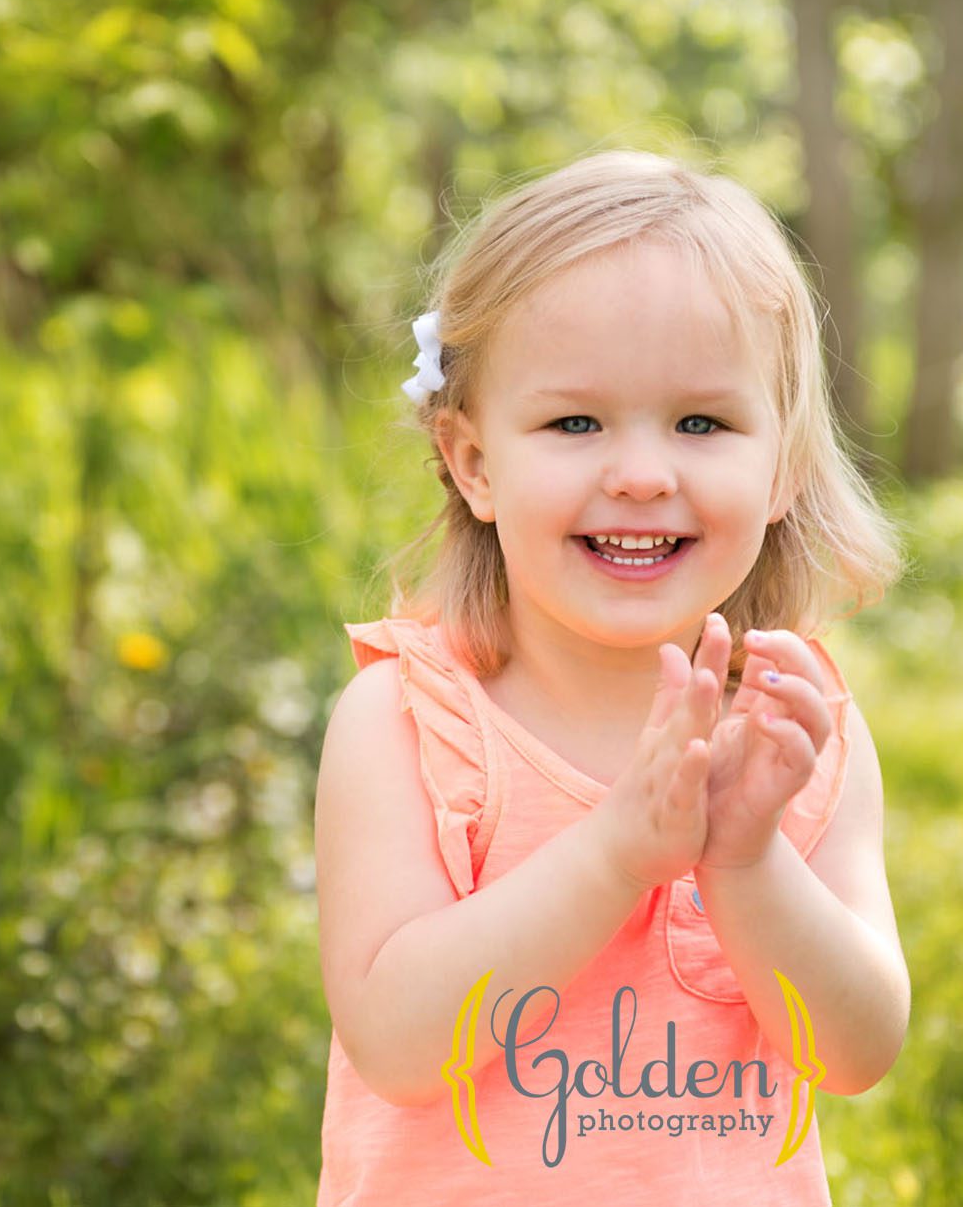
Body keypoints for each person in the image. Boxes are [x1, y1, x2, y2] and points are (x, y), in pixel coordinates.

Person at [313, 148, 911, 1203]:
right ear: (475, 463)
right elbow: (401, 1048)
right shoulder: (406, 722)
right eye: (575, 423)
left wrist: (744, 859)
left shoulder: (797, 731)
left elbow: (854, 1051)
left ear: (780, 470)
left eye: (702, 422)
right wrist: (614, 854)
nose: (640, 473)